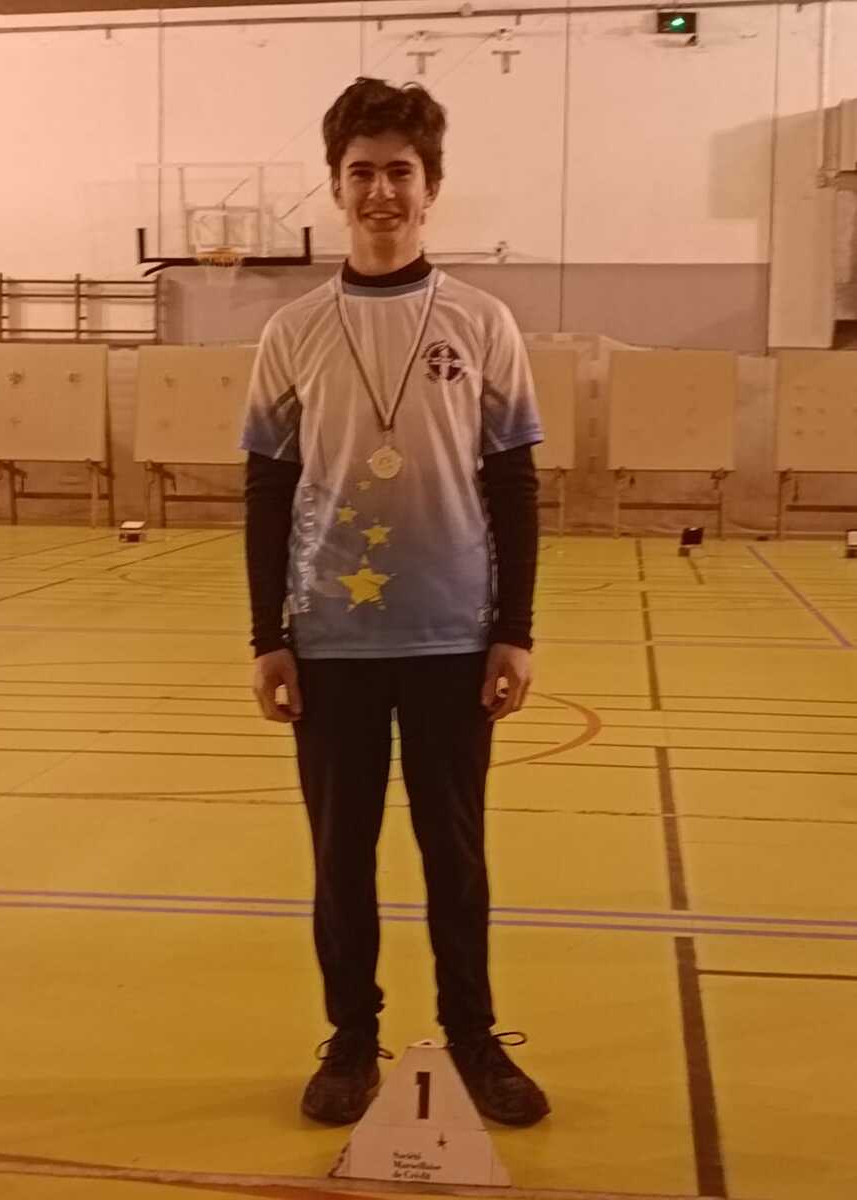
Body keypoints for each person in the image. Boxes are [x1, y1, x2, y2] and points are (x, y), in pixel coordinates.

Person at [242, 77, 549, 1128]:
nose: (382, 190)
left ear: (432, 186)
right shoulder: (291, 332)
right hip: (329, 641)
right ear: (335, 187)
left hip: (453, 637)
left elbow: (514, 484)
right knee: (342, 859)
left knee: (455, 856)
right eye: (362, 171)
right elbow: (267, 491)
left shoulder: (484, 321)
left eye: (401, 172)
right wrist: (268, 638)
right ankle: (351, 1039)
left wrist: (514, 631)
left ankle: (472, 1037)